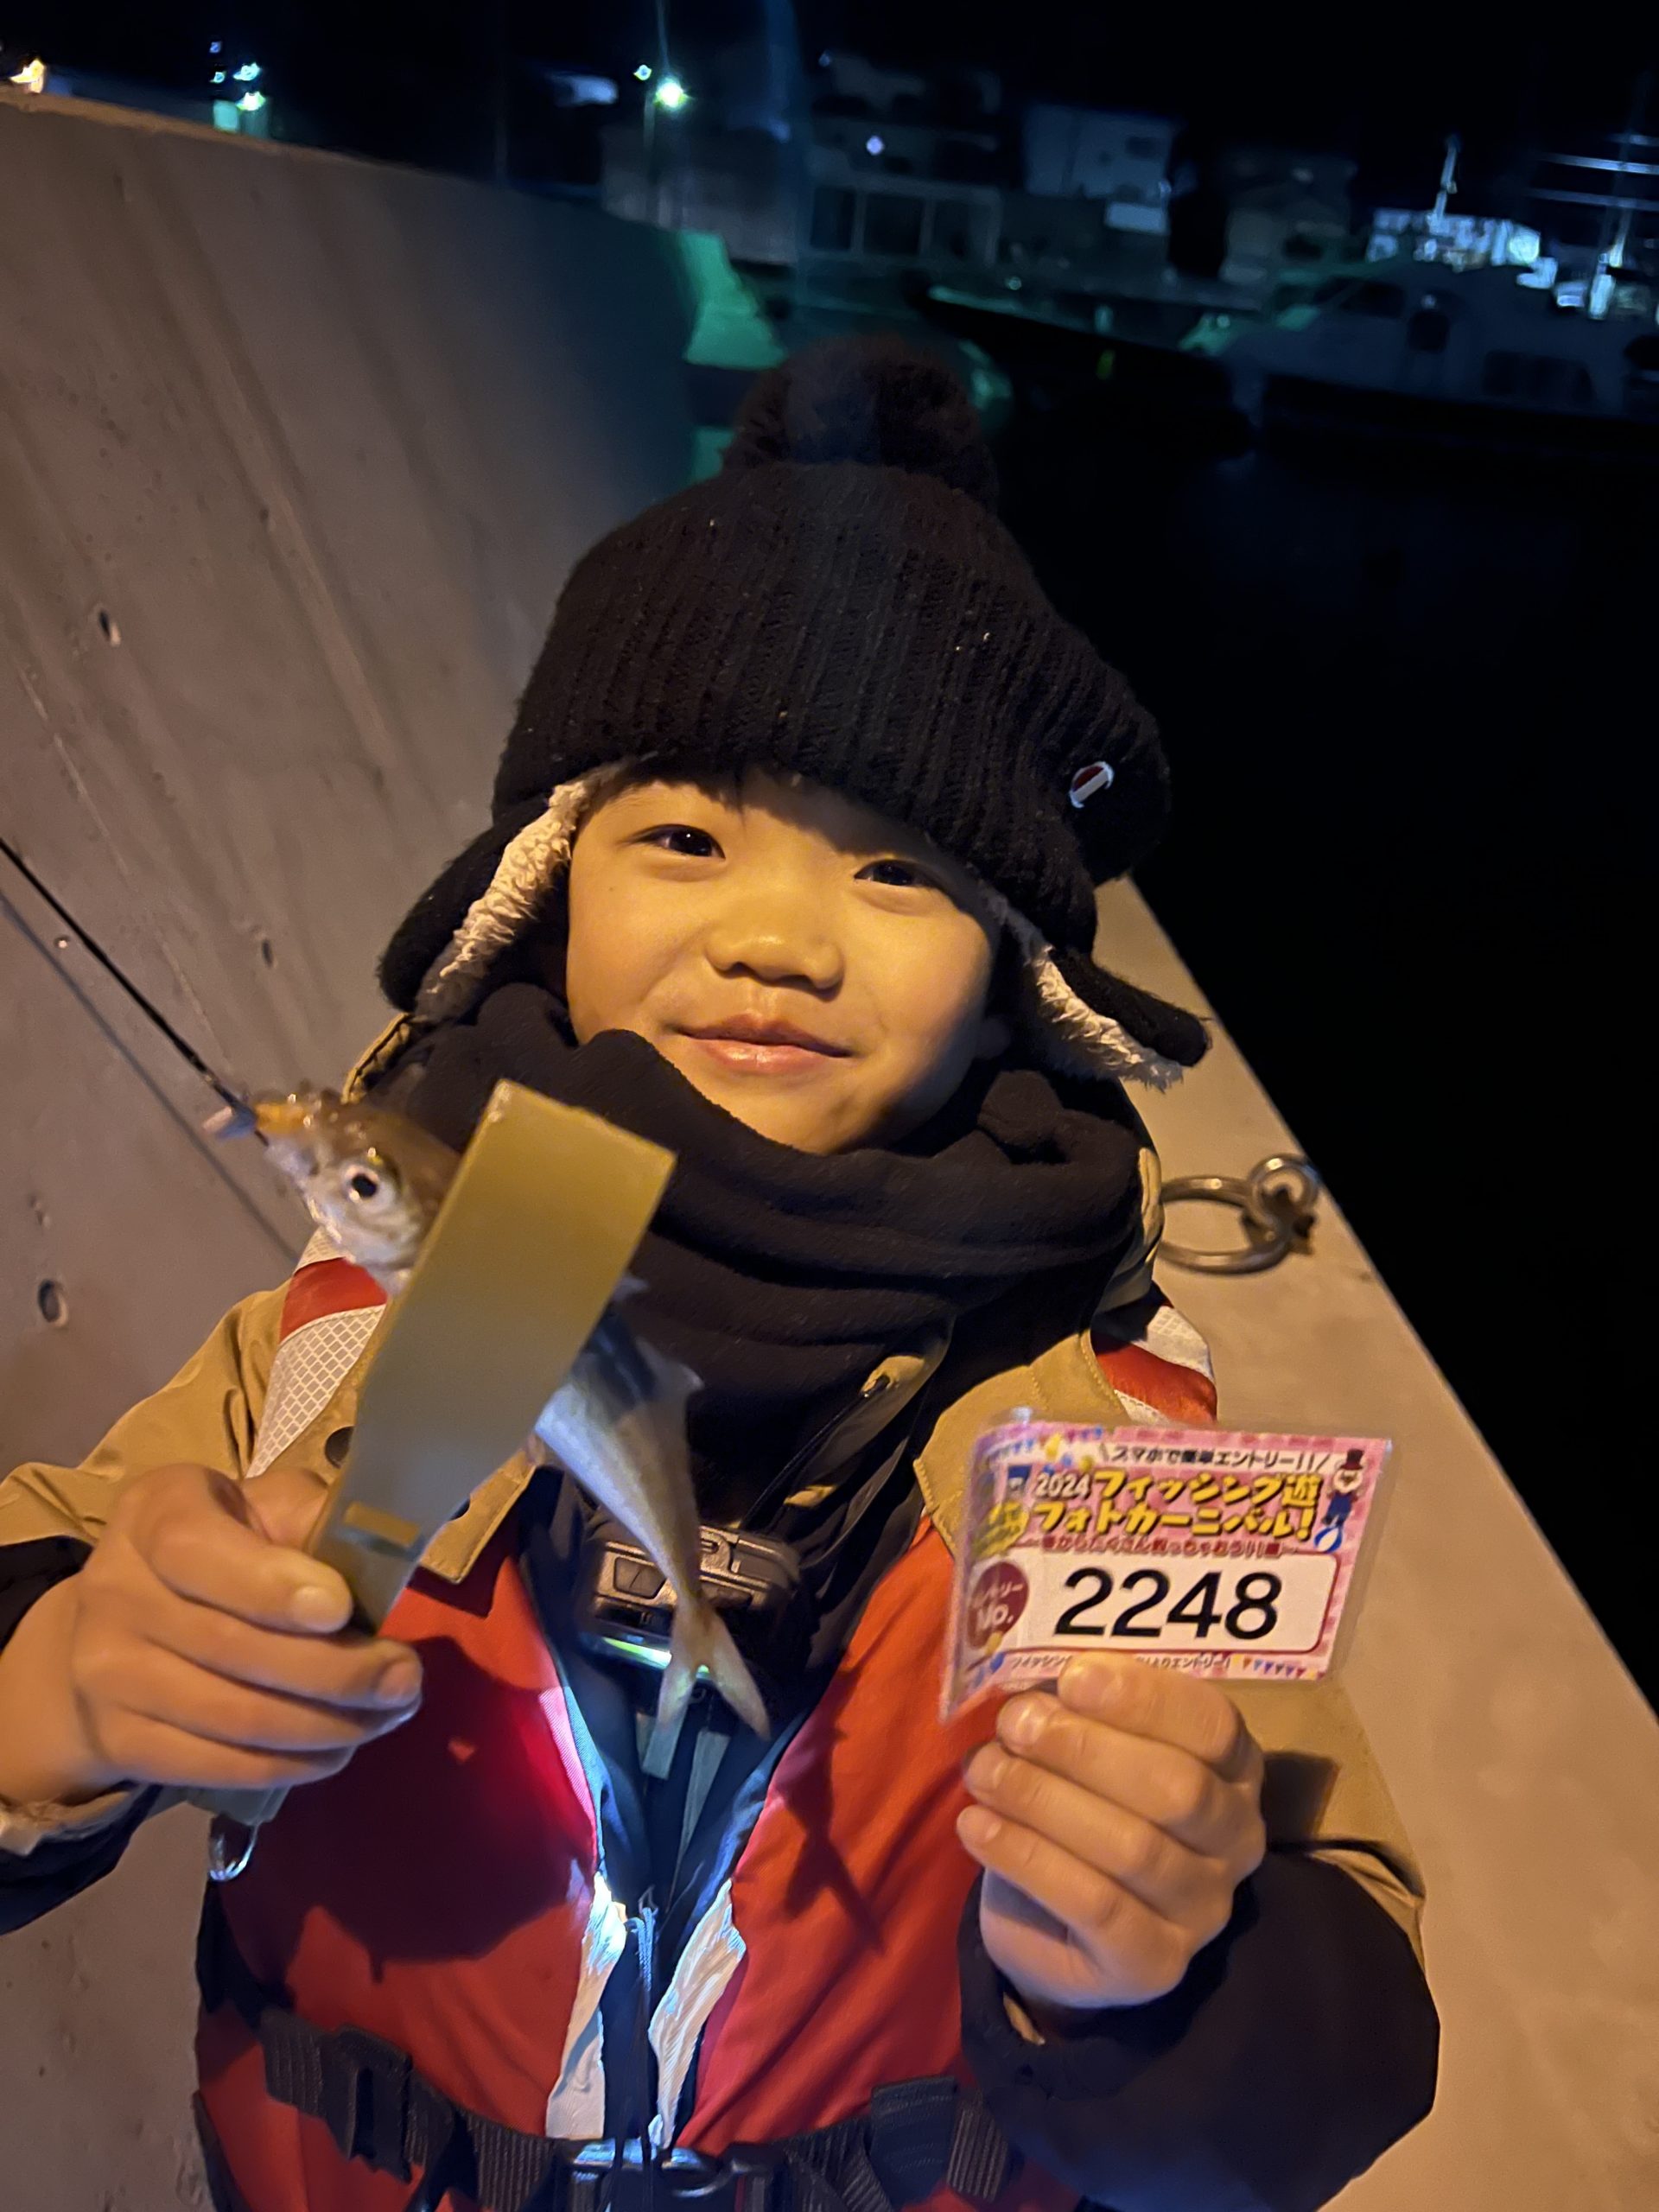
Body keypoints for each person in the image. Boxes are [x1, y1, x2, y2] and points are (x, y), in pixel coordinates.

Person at [0, 338, 1437, 2212]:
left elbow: (1340, 2047)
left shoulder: (1107, 1433)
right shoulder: (348, 1347)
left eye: (900, 872)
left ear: (1014, 973)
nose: (778, 938)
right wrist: (53, 1697)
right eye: (684, 835)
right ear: (546, 887)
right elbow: (54, 1579)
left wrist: (1163, 1973)